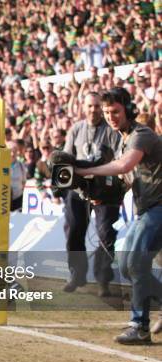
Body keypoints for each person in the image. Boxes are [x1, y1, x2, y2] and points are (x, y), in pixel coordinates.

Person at [75, 88, 161, 344]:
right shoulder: (124, 139)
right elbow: (126, 179)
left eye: (115, 112)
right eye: (106, 112)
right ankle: (143, 322)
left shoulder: (141, 135)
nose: (110, 117)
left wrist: (84, 169)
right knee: (126, 263)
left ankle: (139, 325)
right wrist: (103, 196)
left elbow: (124, 165)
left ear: (128, 110)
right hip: (147, 210)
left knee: (134, 262)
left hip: (159, 208)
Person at [62, 92, 124, 297]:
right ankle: (76, 275)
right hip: (78, 189)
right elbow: (66, 158)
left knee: (106, 234)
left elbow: (120, 162)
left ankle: (103, 280)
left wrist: (110, 189)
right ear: (83, 106)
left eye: (97, 106)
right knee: (73, 230)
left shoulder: (112, 132)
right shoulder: (75, 129)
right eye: (90, 106)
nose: (93, 110)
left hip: (105, 191)